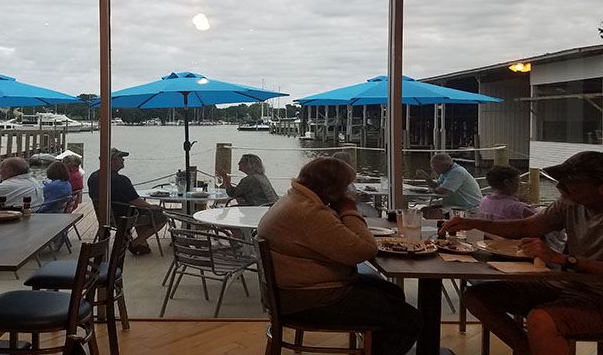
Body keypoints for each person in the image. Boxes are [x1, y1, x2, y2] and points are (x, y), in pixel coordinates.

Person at [442, 151, 603, 355]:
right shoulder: (570, 204)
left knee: (541, 320)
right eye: (560, 179)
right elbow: (528, 226)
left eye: (571, 181)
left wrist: (563, 259)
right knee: (475, 297)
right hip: (567, 283)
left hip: (597, 295)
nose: (560, 186)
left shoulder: (570, 202)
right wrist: (472, 222)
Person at [257, 157, 421, 355]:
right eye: (347, 185)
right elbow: (363, 250)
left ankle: (374, 348)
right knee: (410, 319)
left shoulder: (295, 199)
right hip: (309, 300)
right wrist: (349, 210)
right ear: (332, 190)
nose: (350, 190)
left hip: (292, 293)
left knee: (391, 292)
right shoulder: (310, 212)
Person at [87, 148, 166, 255]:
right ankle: (135, 243)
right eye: (120, 158)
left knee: (142, 211)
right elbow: (136, 201)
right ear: (113, 161)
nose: (123, 160)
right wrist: (152, 206)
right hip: (124, 218)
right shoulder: (121, 180)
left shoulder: (93, 177)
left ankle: (143, 246)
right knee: (160, 216)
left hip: (106, 217)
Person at [416, 153, 482, 209]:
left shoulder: (457, 172)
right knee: (425, 210)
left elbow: (442, 191)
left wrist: (433, 190)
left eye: (436, 168)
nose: (434, 170)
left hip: (469, 207)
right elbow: (436, 186)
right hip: (456, 205)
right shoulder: (445, 172)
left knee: (430, 212)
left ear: (445, 165)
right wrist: (425, 176)